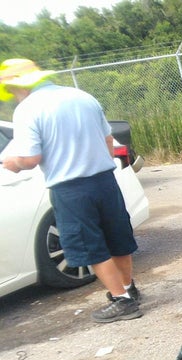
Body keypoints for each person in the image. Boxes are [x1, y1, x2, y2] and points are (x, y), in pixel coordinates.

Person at [0, 58, 142, 323]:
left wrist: (12, 164)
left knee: (92, 246)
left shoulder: (27, 110)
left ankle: (122, 301)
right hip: (104, 181)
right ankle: (128, 288)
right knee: (117, 238)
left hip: (70, 189)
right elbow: (108, 139)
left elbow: (30, 159)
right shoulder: (81, 96)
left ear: (17, 87)